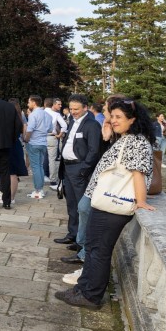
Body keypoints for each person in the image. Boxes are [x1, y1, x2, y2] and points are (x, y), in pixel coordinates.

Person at [55, 98, 156, 309]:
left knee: (99, 250)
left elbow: (138, 173)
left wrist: (141, 201)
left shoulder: (136, 141)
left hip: (113, 204)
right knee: (93, 247)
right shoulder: (127, 138)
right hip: (105, 203)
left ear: (133, 119)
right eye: (112, 116)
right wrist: (108, 135)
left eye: (119, 117)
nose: (113, 120)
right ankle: (84, 287)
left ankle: (91, 296)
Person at [54, 94, 102, 249]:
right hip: (67, 168)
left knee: (82, 207)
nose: (73, 111)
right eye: (71, 108)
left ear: (85, 108)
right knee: (71, 204)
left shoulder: (91, 124)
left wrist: (84, 169)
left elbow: (94, 150)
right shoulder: (73, 121)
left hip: (79, 169)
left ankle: (81, 241)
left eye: (76, 109)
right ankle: (73, 235)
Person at [24, 95, 53, 199]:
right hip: (43, 143)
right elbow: (50, 129)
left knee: (35, 167)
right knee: (39, 166)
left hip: (34, 143)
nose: (28, 104)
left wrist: (26, 139)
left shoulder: (33, 115)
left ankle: (38, 190)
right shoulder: (47, 115)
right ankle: (40, 189)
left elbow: (30, 129)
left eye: (29, 102)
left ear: (33, 103)